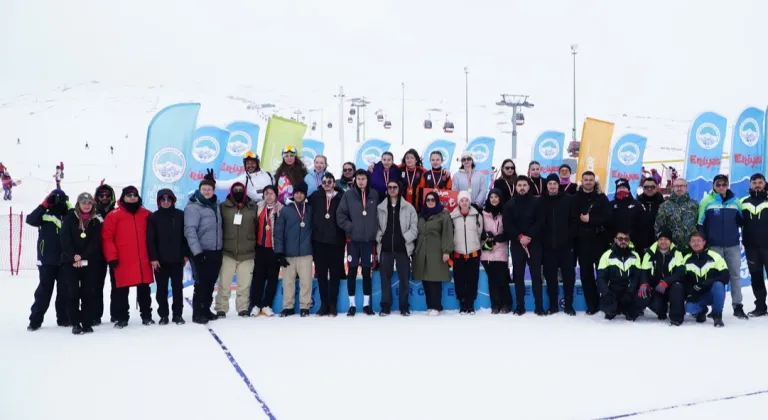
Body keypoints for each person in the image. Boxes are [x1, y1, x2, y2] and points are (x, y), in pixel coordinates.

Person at [101, 186, 155, 328]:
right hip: (123, 260)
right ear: (123, 197)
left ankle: (146, 316)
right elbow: (107, 238)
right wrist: (111, 257)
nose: (132, 197)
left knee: (144, 290)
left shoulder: (147, 214)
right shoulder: (113, 216)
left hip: (143, 259)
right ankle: (122, 318)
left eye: (134, 195)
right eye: (129, 195)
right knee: (121, 291)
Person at [697, 174, 746, 319]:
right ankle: (716, 308)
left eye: (724, 184)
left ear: (728, 185)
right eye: (718, 185)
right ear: (713, 186)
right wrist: (703, 245)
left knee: (735, 276)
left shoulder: (735, 202)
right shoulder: (706, 201)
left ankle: (738, 306)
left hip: (732, 246)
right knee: (715, 278)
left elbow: (741, 222)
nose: (721, 187)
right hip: (714, 247)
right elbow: (700, 224)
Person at [26, 189, 71, 331]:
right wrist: (44, 204)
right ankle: (35, 321)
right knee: (44, 291)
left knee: (64, 291)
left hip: (65, 260)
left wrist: (68, 205)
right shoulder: (44, 215)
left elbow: (77, 218)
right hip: (47, 260)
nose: (58, 202)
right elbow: (30, 219)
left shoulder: (69, 216)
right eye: (54, 199)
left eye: (61, 200)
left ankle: (63, 319)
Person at [337, 169, 380, 316]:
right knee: (353, 271)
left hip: (368, 241)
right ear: (355, 180)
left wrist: (375, 231)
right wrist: (350, 228)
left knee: (367, 272)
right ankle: (352, 305)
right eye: (358, 178)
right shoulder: (348, 195)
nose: (361, 181)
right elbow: (340, 214)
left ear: (367, 180)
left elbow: (379, 215)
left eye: (363, 178)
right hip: (353, 241)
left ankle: (367, 305)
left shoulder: (374, 194)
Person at [60, 192, 103, 334]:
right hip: (70, 262)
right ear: (78, 204)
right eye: (84, 203)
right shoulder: (69, 218)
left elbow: (95, 242)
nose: (86, 205)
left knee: (88, 293)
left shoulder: (96, 221)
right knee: (72, 293)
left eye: (89, 203)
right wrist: (73, 257)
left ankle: (87, 322)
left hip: (89, 262)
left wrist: (82, 256)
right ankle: (75, 322)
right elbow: (65, 240)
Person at [184, 170, 224, 324]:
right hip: (201, 251)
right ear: (199, 190)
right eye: (204, 189)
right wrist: (197, 252)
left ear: (213, 191)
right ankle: (198, 313)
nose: (207, 192)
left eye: (209, 189)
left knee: (210, 282)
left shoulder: (216, 204)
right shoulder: (193, 206)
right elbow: (190, 230)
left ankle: (206, 309)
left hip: (215, 250)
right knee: (201, 283)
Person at [215, 182, 258, 318]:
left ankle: (243, 308)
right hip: (228, 252)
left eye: (241, 190)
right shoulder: (223, 207)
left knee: (244, 285)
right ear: (231, 192)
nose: (238, 192)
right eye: (236, 190)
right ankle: (221, 308)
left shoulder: (253, 207)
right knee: (224, 284)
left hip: (247, 252)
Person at [147, 189, 189, 325]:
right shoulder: (153, 217)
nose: (166, 202)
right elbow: (150, 240)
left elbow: (185, 237)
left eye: (168, 200)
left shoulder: (180, 215)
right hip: (160, 261)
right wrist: (153, 258)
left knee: (178, 289)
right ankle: (163, 315)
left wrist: (185, 254)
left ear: (173, 201)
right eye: (163, 200)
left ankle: (178, 315)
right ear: (159, 201)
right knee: (161, 290)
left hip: (177, 260)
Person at [376, 179, 418, 316]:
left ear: (399, 189)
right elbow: (375, 227)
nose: (392, 189)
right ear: (387, 189)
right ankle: (386, 306)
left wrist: (404, 239)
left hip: (403, 249)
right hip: (386, 248)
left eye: (395, 187)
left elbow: (414, 229)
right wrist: (380, 238)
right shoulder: (380, 207)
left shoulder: (409, 207)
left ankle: (404, 307)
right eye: (390, 187)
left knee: (404, 279)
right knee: (385, 278)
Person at [504, 176, 545, 315]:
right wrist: (520, 237)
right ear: (516, 187)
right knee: (518, 276)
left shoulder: (537, 202)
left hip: (534, 243)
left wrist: (529, 236)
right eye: (519, 185)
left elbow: (540, 221)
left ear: (528, 187)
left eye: (524, 185)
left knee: (536, 276)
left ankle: (539, 306)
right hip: (517, 244)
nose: (522, 187)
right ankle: (520, 306)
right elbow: (508, 224)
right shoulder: (509, 204)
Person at [274, 181, 314, 317]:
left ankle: (305, 306)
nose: (298, 195)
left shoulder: (310, 209)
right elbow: (278, 233)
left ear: (305, 194)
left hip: (306, 252)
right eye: (296, 193)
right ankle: (288, 307)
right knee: (288, 282)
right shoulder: (285, 210)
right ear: (293, 194)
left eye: (301, 193)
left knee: (306, 281)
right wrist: (279, 253)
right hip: (288, 253)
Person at [573, 171, 611, 314]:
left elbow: (608, 218)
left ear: (595, 182)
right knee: (586, 275)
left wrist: (591, 220)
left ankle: (606, 301)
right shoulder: (575, 198)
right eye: (586, 179)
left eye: (591, 180)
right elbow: (572, 219)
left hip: (599, 241)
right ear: (581, 181)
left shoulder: (602, 198)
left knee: (602, 274)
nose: (588, 182)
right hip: (582, 242)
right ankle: (592, 304)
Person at [308, 173, 346, 316]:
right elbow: (302, 205)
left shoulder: (341, 197)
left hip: (336, 242)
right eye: (324, 182)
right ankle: (324, 304)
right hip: (319, 242)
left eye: (329, 181)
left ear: (334, 182)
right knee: (321, 275)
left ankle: (333, 304)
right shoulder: (315, 196)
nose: (327, 184)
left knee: (335, 275)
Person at [540, 174, 578, 315]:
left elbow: (574, 221)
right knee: (550, 277)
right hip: (549, 247)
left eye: (554, 184)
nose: (552, 186)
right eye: (549, 184)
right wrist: (545, 239)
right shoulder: (542, 201)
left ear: (558, 185)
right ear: (547, 185)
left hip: (566, 246)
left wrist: (569, 238)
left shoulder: (568, 199)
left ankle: (569, 305)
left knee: (568, 277)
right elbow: (539, 223)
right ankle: (553, 305)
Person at [412, 191, 454, 315]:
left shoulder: (443, 215)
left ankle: (436, 306)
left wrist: (446, 251)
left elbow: (447, 234)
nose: (430, 202)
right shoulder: (421, 215)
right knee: (425, 278)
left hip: (436, 250)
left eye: (433, 200)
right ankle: (429, 305)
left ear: (437, 201)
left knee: (435, 279)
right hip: (422, 249)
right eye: (428, 200)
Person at [637, 229, 686, 325]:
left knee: (678, 287)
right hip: (656, 287)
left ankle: (676, 317)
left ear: (670, 241)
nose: (663, 242)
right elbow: (644, 271)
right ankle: (661, 310)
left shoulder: (677, 253)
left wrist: (666, 282)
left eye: (666, 239)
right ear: (657, 240)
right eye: (661, 239)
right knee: (645, 293)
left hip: (670, 286)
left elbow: (680, 273)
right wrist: (644, 283)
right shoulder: (649, 253)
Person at [681, 232, 728, 327]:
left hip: (711, 292)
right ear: (689, 244)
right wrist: (690, 293)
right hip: (697, 294)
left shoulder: (715, 256)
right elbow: (683, 279)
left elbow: (725, 276)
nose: (696, 243)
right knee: (689, 309)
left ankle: (717, 315)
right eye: (693, 241)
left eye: (698, 241)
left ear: (704, 242)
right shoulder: (686, 259)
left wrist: (708, 282)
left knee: (719, 285)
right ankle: (702, 310)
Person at [250, 185, 283, 317]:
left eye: (271, 193)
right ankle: (256, 305)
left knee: (272, 278)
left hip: (273, 249)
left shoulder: (281, 208)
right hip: (259, 248)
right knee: (257, 278)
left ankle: (267, 305)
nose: (268, 196)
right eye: (266, 193)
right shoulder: (258, 207)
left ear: (276, 195)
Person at [597, 229, 643, 321]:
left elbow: (637, 278)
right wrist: (606, 293)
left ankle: (626, 309)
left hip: (628, 292)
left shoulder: (635, 256)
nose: (623, 241)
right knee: (609, 309)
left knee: (633, 314)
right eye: (620, 239)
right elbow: (601, 278)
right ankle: (614, 308)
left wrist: (630, 292)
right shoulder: (606, 255)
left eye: (626, 239)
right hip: (612, 291)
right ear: (615, 240)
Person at [480, 189, 512, 314]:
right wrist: (484, 235)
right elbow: (479, 229)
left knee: (502, 279)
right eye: (491, 197)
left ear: (500, 198)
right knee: (492, 280)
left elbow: (509, 231)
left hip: (501, 249)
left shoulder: (505, 213)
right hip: (487, 251)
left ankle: (507, 304)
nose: (493, 199)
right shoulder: (482, 214)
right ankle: (495, 305)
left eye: (496, 197)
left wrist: (498, 238)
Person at [451, 190, 483, 314]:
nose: (464, 203)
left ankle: (470, 303)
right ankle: (462, 303)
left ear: (470, 202)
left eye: (466, 200)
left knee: (472, 279)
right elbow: (451, 233)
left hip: (473, 253)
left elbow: (479, 232)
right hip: (458, 254)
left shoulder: (476, 215)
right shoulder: (452, 216)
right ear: (459, 202)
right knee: (459, 280)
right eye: (462, 200)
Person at [741, 173, 768, 317]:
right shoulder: (743, 202)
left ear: (765, 183)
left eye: (760, 182)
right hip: (751, 247)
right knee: (756, 277)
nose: (757, 185)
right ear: (750, 185)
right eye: (754, 182)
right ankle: (760, 306)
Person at [93, 183, 117, 323]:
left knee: (117, 285)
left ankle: (117, 313)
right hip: (96, 254)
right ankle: (95, 315)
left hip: (114, 253)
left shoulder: (117, 212)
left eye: (107, 195)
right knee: (96, 285)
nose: (104, 198)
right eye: (101, 195)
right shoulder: (91, 213)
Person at [655, 178, 698, 250]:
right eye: (676, 186)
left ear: (686, 188)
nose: (679, 188)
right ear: (673, 188)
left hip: (691, 247)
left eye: (682, 186)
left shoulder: (694, 204)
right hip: (672, 248)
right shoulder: (665, 205)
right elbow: (659, 226)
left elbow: (698, 224)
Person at [608, 178, 644, 252]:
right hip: (615, 243)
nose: (622, 190)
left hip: (632, 243)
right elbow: (607, 223)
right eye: (619, 188)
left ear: (628, 189)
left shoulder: (637, 205)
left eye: (624, 188)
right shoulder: (611, 205)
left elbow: (642, 225)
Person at [635, 177, 665, 254]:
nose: (649, 189)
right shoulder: (636, 204)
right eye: (646, 187)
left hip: (658, 243)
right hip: (639, 244)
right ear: (643, 188)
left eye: (652, 187)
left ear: (656, 187)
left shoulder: (663, 204)